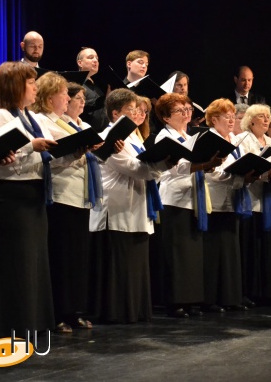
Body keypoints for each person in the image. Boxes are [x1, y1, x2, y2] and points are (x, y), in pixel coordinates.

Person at [0, 61, 57, 337]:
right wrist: (28, 146)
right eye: (31, 83)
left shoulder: (31, 117)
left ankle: (31, 320)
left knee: (33, 259)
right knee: (15, 260)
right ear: (16, 86)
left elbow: (45, 149)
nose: (35, 88)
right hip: (10, 194)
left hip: (33, 192)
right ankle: (8, 322)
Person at [89, 88, 166, 323]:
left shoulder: (135, 138)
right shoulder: (110, 137)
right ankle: (117, 311)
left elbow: (145, 169)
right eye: (129, 110)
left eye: (137, 109)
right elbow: (136, 169)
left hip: (137, 207)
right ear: (115, 114)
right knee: (120, 263)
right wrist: (165, 164)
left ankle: (136, 310)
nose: (136, 114)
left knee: (135, 262)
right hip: (117, 208)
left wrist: (161, 165)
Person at [31, 73, 99, 333]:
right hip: (60, 196)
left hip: (80, 196)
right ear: (50, 98)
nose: (67, 98)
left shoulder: (67, 123)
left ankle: (74, 310)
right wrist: (75, 150)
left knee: (77, 258)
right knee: (62, 257)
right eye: (63, 94)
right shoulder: (42, 121)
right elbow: (51, 155)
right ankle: (59, 311)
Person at [155, 93, 223, 318]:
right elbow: (173, 169)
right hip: (173, 199)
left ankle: (192, 298)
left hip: (193, 198)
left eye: (188, 110)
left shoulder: (190, 135)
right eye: (180, 111)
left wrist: (208, 165)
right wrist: (204, 164)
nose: (186, 114)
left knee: (192, 252)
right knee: (177, 253)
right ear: (166, 117)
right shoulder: (164, 137)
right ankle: (175, 301)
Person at [203, 99, 254, 312]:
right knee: (214, 252)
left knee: (230, 250)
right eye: (227, 116)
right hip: (215, 200)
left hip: (233, 199)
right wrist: (235, 177)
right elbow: (210, 172)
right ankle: (211, 299)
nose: (232, 119)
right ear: (214, 119)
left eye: (233, 115)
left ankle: (231, 296)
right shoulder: (209, 139)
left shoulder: (234, 138)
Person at [237, 104, 271, 306]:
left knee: (267, 246)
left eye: (268, 116)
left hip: (269, 199)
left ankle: (268, 290)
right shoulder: (243, 140)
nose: (267, 120)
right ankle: (250, 291)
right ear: (250, 120)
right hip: (250, 199)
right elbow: (244, 167)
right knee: (251, 247)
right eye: (262, 116)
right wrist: (267, 173)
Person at [76, 47, 109, 131]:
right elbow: (81, 105)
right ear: (80, 63)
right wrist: (105, 98)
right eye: (90, 57)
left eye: (97, 58)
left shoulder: (96, 86)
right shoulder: (76, 84)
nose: (95, 60)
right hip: (86, 134)